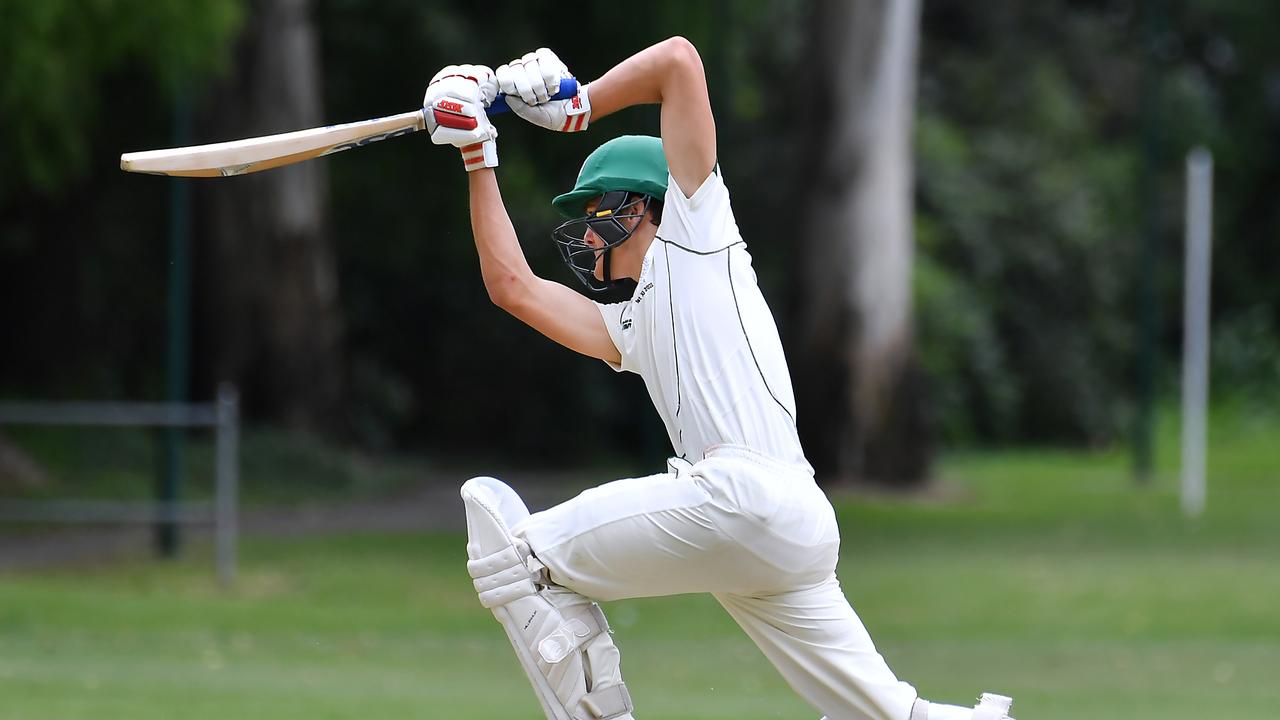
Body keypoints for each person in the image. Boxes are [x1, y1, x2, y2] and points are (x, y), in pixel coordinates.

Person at [422, 38, 1016, 720]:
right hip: (794, 526)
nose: (586, 239)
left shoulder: (696, 234)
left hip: (744, 497)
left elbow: (678, 62)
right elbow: (513, 288)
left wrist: (577, 106)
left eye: (595, 217)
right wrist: (477, 154)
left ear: (641, 207)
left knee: (517, 556)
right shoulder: (633, 324)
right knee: (889, 716)